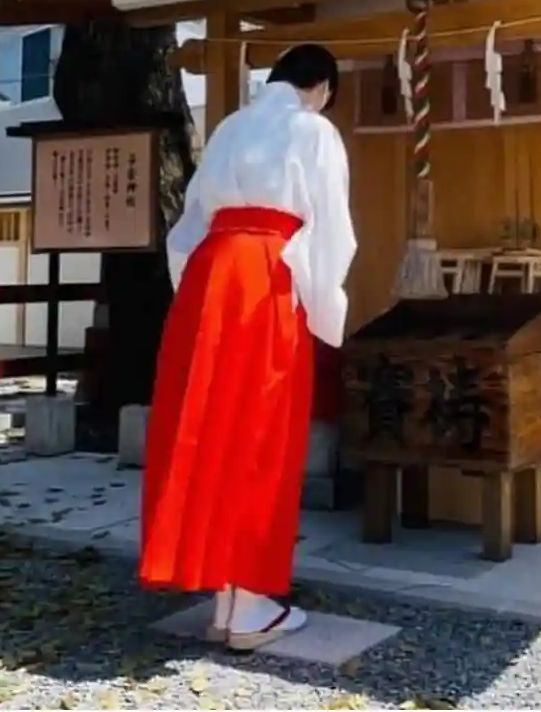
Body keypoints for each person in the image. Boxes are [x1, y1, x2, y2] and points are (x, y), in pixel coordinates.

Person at [139, 43, 357, 651]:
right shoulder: (313, 130)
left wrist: (196, 291)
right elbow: (331, 229)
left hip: (210, 274)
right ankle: (250, 601)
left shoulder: (231, 127)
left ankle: (225, 596)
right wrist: (326, 304)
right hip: (268, 273)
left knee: (210, 427)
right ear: (320, 87)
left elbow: (191, 220)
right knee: (262, 430)